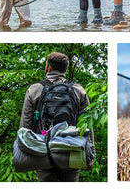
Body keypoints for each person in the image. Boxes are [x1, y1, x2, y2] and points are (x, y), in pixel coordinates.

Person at [20, 52, 90, 182]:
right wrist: (90, 155)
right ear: (65, 69)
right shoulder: (78, 90)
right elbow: (87, 126)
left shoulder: (34, 89)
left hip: (42, 151)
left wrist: (25, 155)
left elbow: (25, 125)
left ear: (49, 68)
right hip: (72, 151)